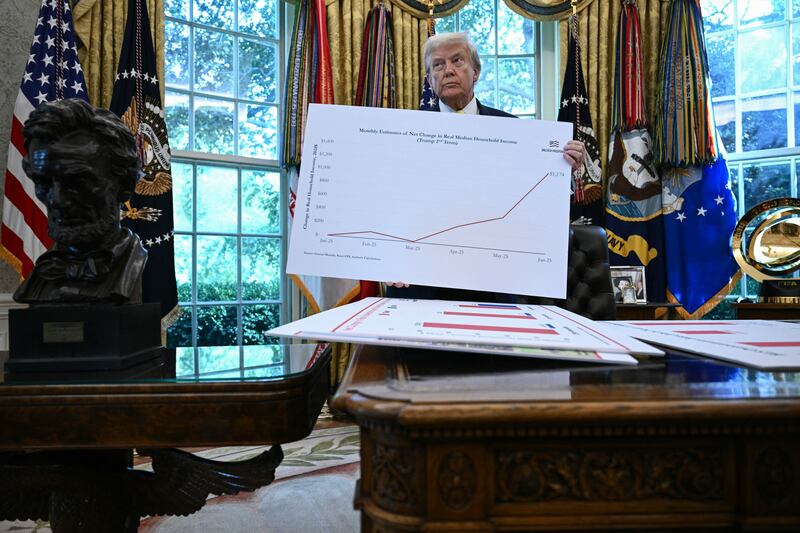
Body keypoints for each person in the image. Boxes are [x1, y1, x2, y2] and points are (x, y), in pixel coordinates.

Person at [386, 32, 585, 301]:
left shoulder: (516, 132)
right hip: (420, 282)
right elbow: (389, 205)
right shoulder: (400, 135)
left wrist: (564, 171)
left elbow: (535, 201)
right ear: (430, 79)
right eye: (438, 65)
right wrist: (386, 258)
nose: (448, 71)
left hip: (493, 283)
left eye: (457, 61)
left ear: (476, 72)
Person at [13, 98, 147, 305]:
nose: (58, 200)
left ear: (125, 186)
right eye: (43, 182)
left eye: (77, 182)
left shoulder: (136, 266)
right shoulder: (42, 274)